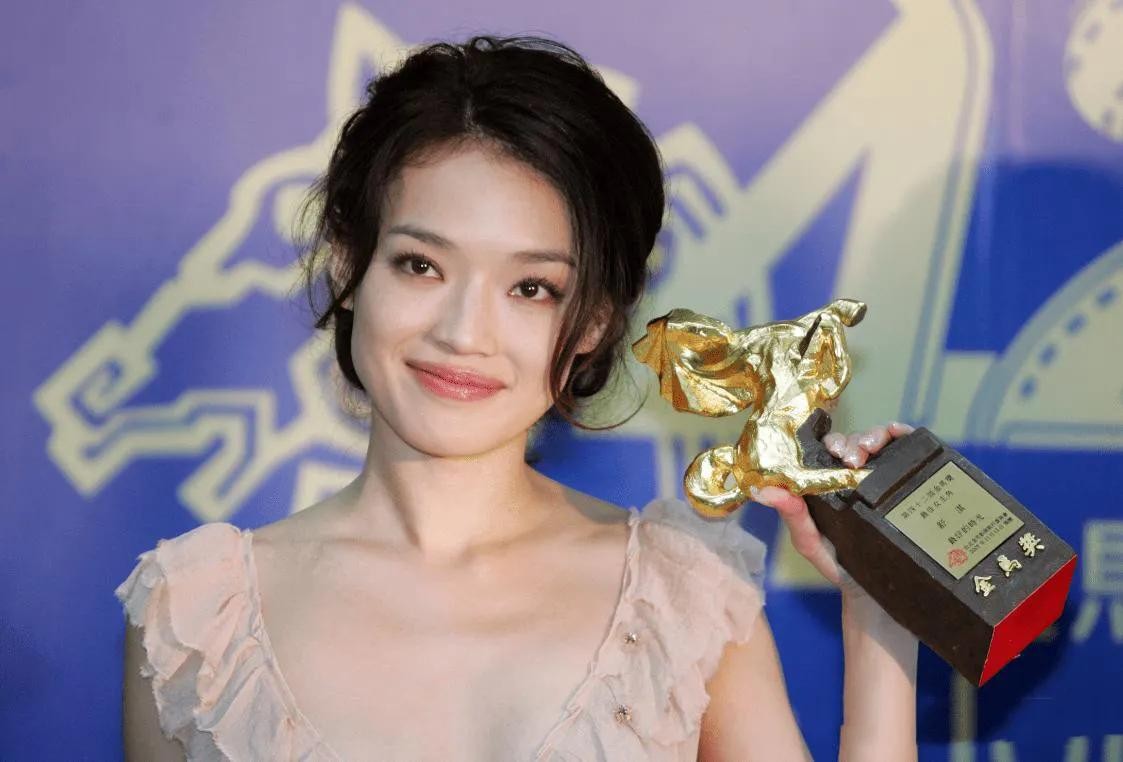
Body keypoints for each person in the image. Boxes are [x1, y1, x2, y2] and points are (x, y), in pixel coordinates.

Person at [116, 34, 918, 761]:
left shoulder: (681, 597)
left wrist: (880, 613)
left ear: (594, 322)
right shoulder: (198, 619)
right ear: (348, 265)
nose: (465, 333)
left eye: (531, 287)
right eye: (421, 265)